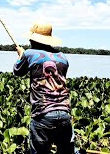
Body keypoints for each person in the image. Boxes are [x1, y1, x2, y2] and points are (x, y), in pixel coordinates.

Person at [13, 22, 75, 154]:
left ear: (33, 39)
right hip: (64, 113)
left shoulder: (29, 53)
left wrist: (20, 55)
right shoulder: (62, 57)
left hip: (43, 114)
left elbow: (17, 71)